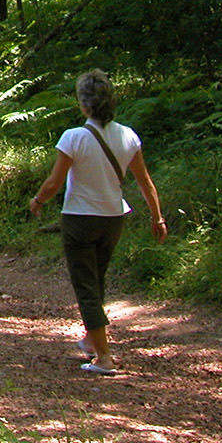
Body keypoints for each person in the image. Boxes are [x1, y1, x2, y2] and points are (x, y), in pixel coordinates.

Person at [28, 69, 169, 375]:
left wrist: (37, 201)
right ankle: (92, 340)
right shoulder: (128, 136)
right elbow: (145, 182)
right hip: (113, 219)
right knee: (98, 280)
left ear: (84, 105)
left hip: (79, 219)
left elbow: (55, 182)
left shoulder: (74, 137)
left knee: (86, 287)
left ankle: (104, 357)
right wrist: (157, 217)